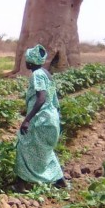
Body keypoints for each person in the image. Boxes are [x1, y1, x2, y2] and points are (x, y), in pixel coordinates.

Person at [15, 44, 66, 192]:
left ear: (31, 62)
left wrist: (27, 119)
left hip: (41, 119)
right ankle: (59, 180)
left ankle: (22, 183)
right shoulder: (45, 72)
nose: (25, 62)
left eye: (26, 60)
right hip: (50, 118)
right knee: (45, 150)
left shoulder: (37, 75)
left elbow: (41, 98)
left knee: (23, 145)